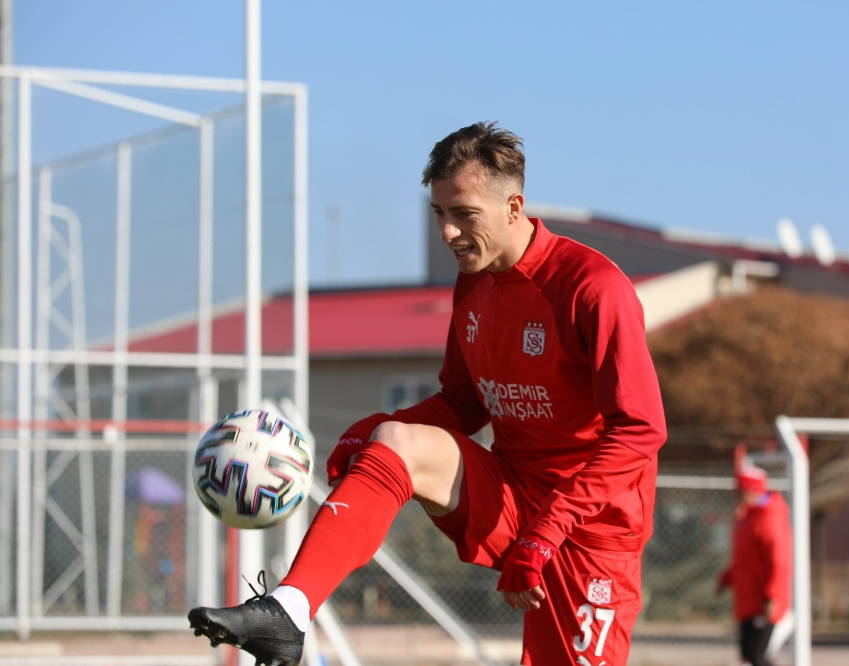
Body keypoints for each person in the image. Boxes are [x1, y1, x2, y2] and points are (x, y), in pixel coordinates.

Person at [188, 122, 668, 666]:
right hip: (511, 492)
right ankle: (289, 611)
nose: (448, 232)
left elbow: (641, 430)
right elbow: (463, 402)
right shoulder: (474, 284)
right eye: (439, 213)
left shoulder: (592, 287)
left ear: (514, 207)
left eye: (465, 214)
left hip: (587, 529)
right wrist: (374, 434)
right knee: (397, 439)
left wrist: (548, 533)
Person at [717, 465, 792, 666]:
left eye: (740, 491)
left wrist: (772, 595)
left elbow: (780, 561)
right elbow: (745, 558)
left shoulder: (769, 518)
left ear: (751, 490)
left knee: (758, 657)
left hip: (763, 602)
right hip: (747, 601)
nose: (737, 496)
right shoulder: (747, 518)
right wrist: (728, 577)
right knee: (749, 657)